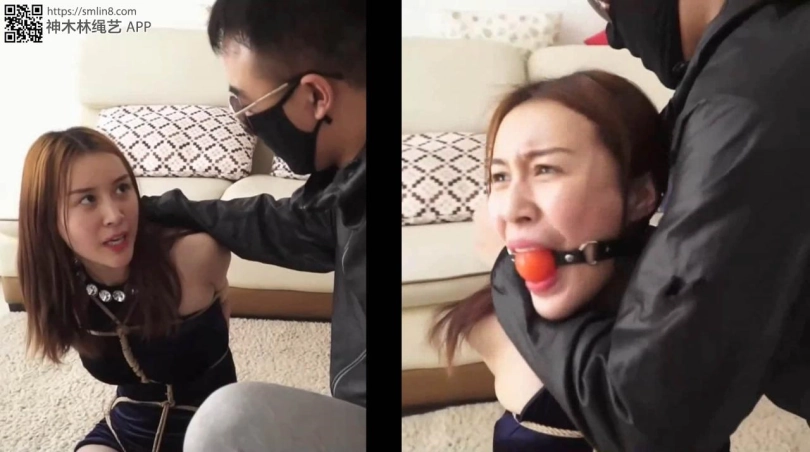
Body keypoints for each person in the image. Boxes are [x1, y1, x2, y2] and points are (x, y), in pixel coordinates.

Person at [473, 0, 810, 450]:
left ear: (640, 197)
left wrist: (506, 276)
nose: (613, 35)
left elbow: (648, 416)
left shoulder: (743, 101)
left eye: (605, 5)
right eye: (498, 176)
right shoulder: (740, 70)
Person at [429, 71, 723, 451]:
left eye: (545, 169)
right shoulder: (494, 329)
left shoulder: (695, 320)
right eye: (499, 176)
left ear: (639, 196)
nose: (510, 210)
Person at [138, 0, 367, 450]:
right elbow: (293, 226)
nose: (247, 124)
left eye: (248, 105)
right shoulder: (349, 184)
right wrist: (157, 208)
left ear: (315, 97)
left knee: (228, 421)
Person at [17, 126, 236, 452]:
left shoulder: (195, 256)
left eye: (122, 188)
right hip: (129, 428)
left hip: (216, 430)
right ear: (46, 216)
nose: (114, 215)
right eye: (87, 199)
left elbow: (223, 315)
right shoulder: (58, 283)